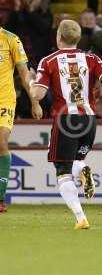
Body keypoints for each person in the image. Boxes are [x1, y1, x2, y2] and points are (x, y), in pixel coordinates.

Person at [30, 19, 102, 229]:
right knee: (77, 160)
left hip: (66, 119)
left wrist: (32, 81)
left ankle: (80, 217)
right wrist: (96, 94)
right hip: (88, 118)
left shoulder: (48, 61)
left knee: (63, 171)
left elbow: (38, 94)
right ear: (78, 38)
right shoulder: (91, 58)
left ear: (58, 36)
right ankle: (83, 168)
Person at [0, 27, 42, 214]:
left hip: (4, 100)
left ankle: (0, 197)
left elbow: (25, 75)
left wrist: (35, 102)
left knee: (1, 141)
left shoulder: (11, 39)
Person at [6, 0, 53, 68]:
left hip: (40, 59)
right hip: (20, 58)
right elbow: (8, 32)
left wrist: (31, 11)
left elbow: (43, 29)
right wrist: (16, 8)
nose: (33, 0)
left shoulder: (46, 14)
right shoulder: (17, 14)